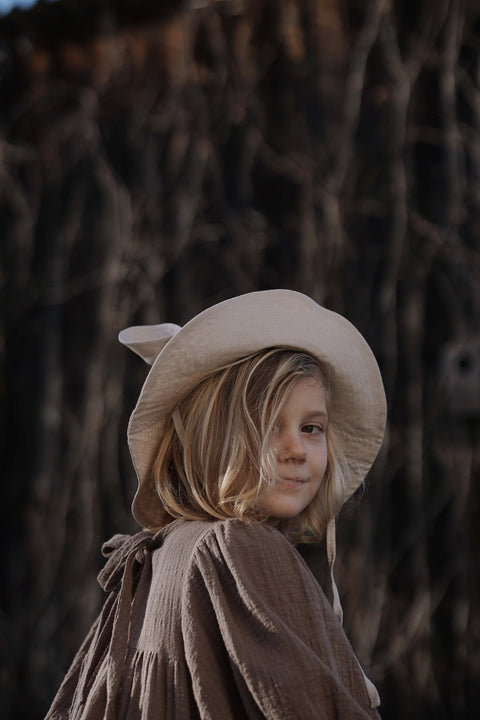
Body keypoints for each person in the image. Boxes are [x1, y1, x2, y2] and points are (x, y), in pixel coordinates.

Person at [45, 289, 387, 720]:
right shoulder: (237, 548)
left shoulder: (162, 551)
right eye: (266, 424)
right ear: (211, 437)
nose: (295, 449)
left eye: (312, 427)